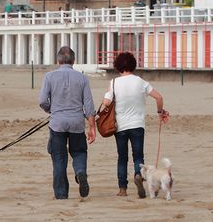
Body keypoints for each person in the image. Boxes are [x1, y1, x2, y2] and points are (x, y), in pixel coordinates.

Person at [98, 52, 170, 197]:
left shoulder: (113, 83)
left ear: (118, 66)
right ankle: (138, 175)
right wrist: (160, 111)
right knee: (138, 156)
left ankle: (122, 189)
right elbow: (159, 97)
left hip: (120, 127)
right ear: (133, 65)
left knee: (122, 157)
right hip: (138, 125)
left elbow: (106, 103)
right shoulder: (140, 82)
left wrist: (99, 112)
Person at [38, 46, 96, 199]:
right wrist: (92, 127)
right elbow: (89, 105)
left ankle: (61, 193)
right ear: (74, 61)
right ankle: (80, 172)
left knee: (58, 157)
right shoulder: (82, 78)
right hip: (77, 121)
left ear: (58, 61)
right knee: (79, 152)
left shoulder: (49, 77)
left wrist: (51, 110)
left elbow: (43, 100)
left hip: (57, 122)